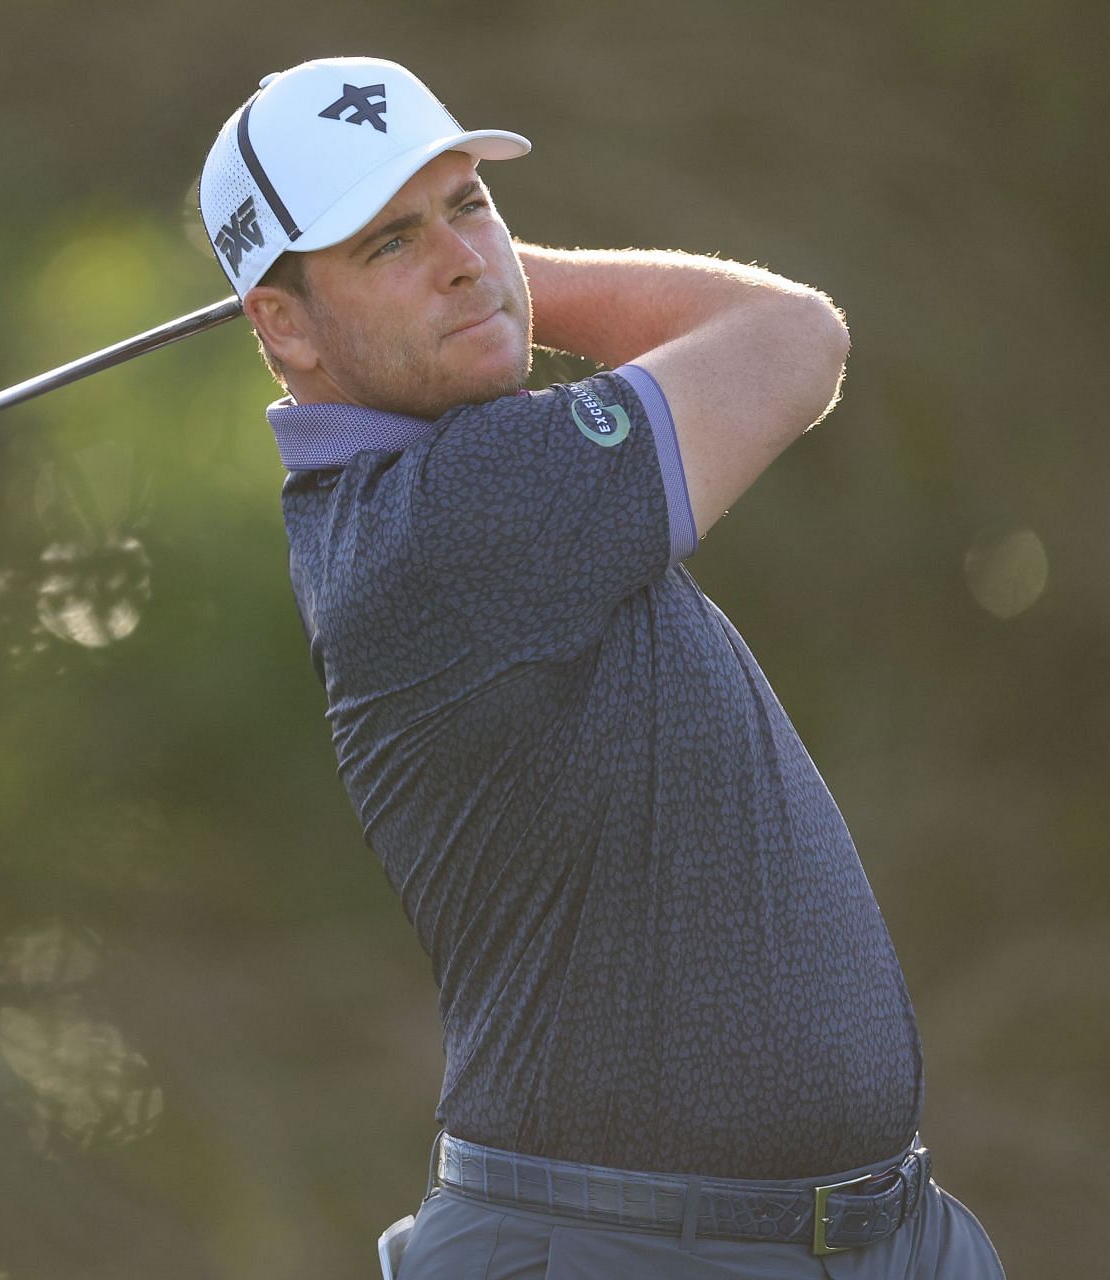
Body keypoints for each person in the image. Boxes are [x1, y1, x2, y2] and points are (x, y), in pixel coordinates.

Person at [198, 57, 1004, 1278]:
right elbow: (793, 340)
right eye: (388, 242)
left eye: (470, 203)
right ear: (283, 324)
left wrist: (476, 286)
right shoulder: (455, 519)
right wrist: (510, 288)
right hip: (619, 1247)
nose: (462, 254)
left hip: (874, 1233)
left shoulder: (431, 489)